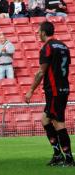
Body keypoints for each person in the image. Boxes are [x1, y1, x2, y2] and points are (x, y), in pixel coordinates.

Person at [25, 21, 74, 166]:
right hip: (63, 88)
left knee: (58, 123)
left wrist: (31, 90)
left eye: (39, 31)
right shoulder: (64, 46)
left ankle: (69, 158)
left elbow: (41, 72)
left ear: (44, 32)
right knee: (45, 120)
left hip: (54, 90)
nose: (37, 33)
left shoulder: (47, 48)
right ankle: (58, 154)